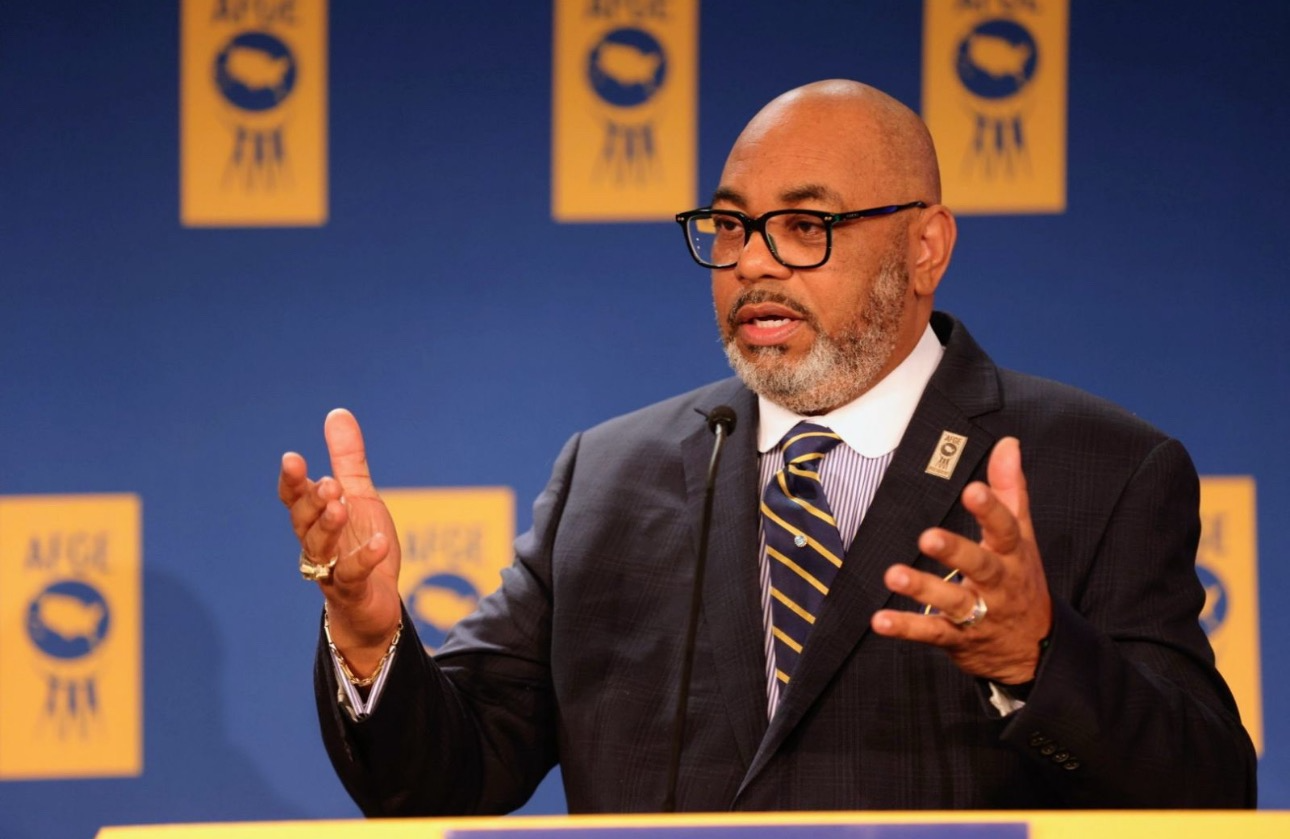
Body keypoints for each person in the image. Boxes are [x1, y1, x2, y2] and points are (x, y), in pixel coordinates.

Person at [279, 80, 1256, 813]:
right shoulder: (609, 479)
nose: (750, 261)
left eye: (803, 225)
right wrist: (372, 638)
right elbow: (445, 782)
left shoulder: (1099, 471)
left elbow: (1209, 794)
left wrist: (1041, 659)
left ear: (925, 247)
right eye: (732, 224)